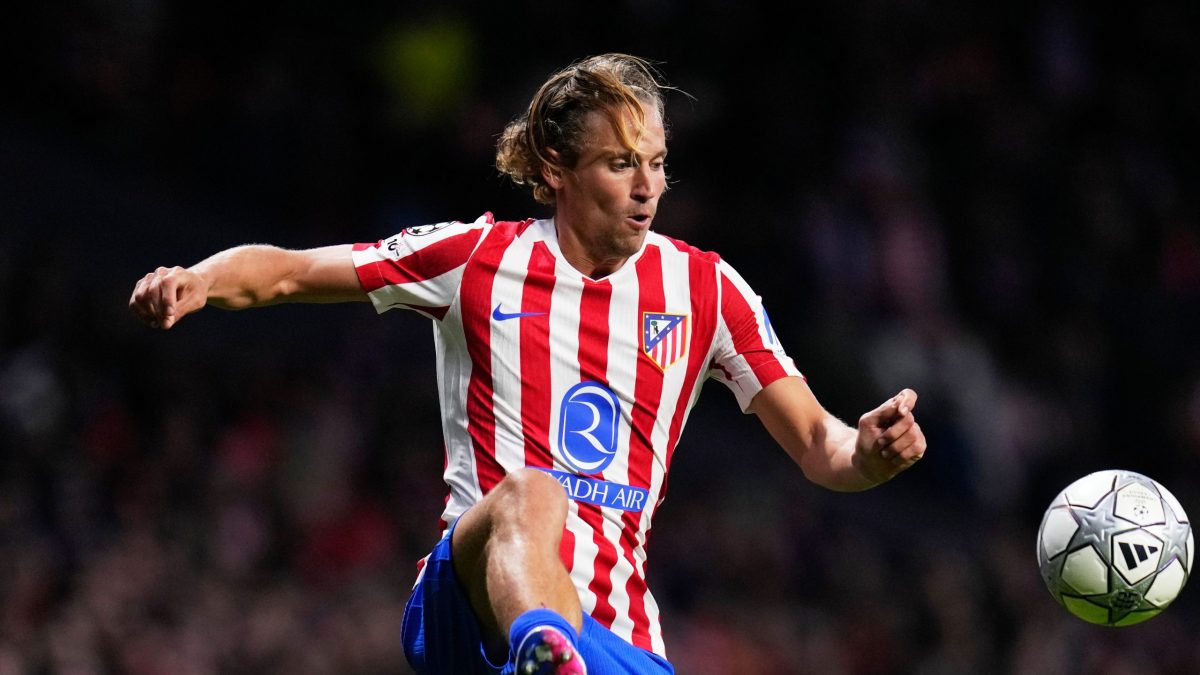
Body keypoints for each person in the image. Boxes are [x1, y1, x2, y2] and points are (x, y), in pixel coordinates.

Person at [129, 53, 927, 675]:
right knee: (532, 492)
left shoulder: (707, 290)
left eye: (657, 163)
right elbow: (292, 271)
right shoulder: (475, 257)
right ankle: (542, 649)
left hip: (617, 635)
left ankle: (555, 654)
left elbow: (820, 444)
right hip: (464, 603)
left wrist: (870, 451)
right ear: (554, 166)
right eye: (620, 163)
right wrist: (198, 279)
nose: (647, 187)